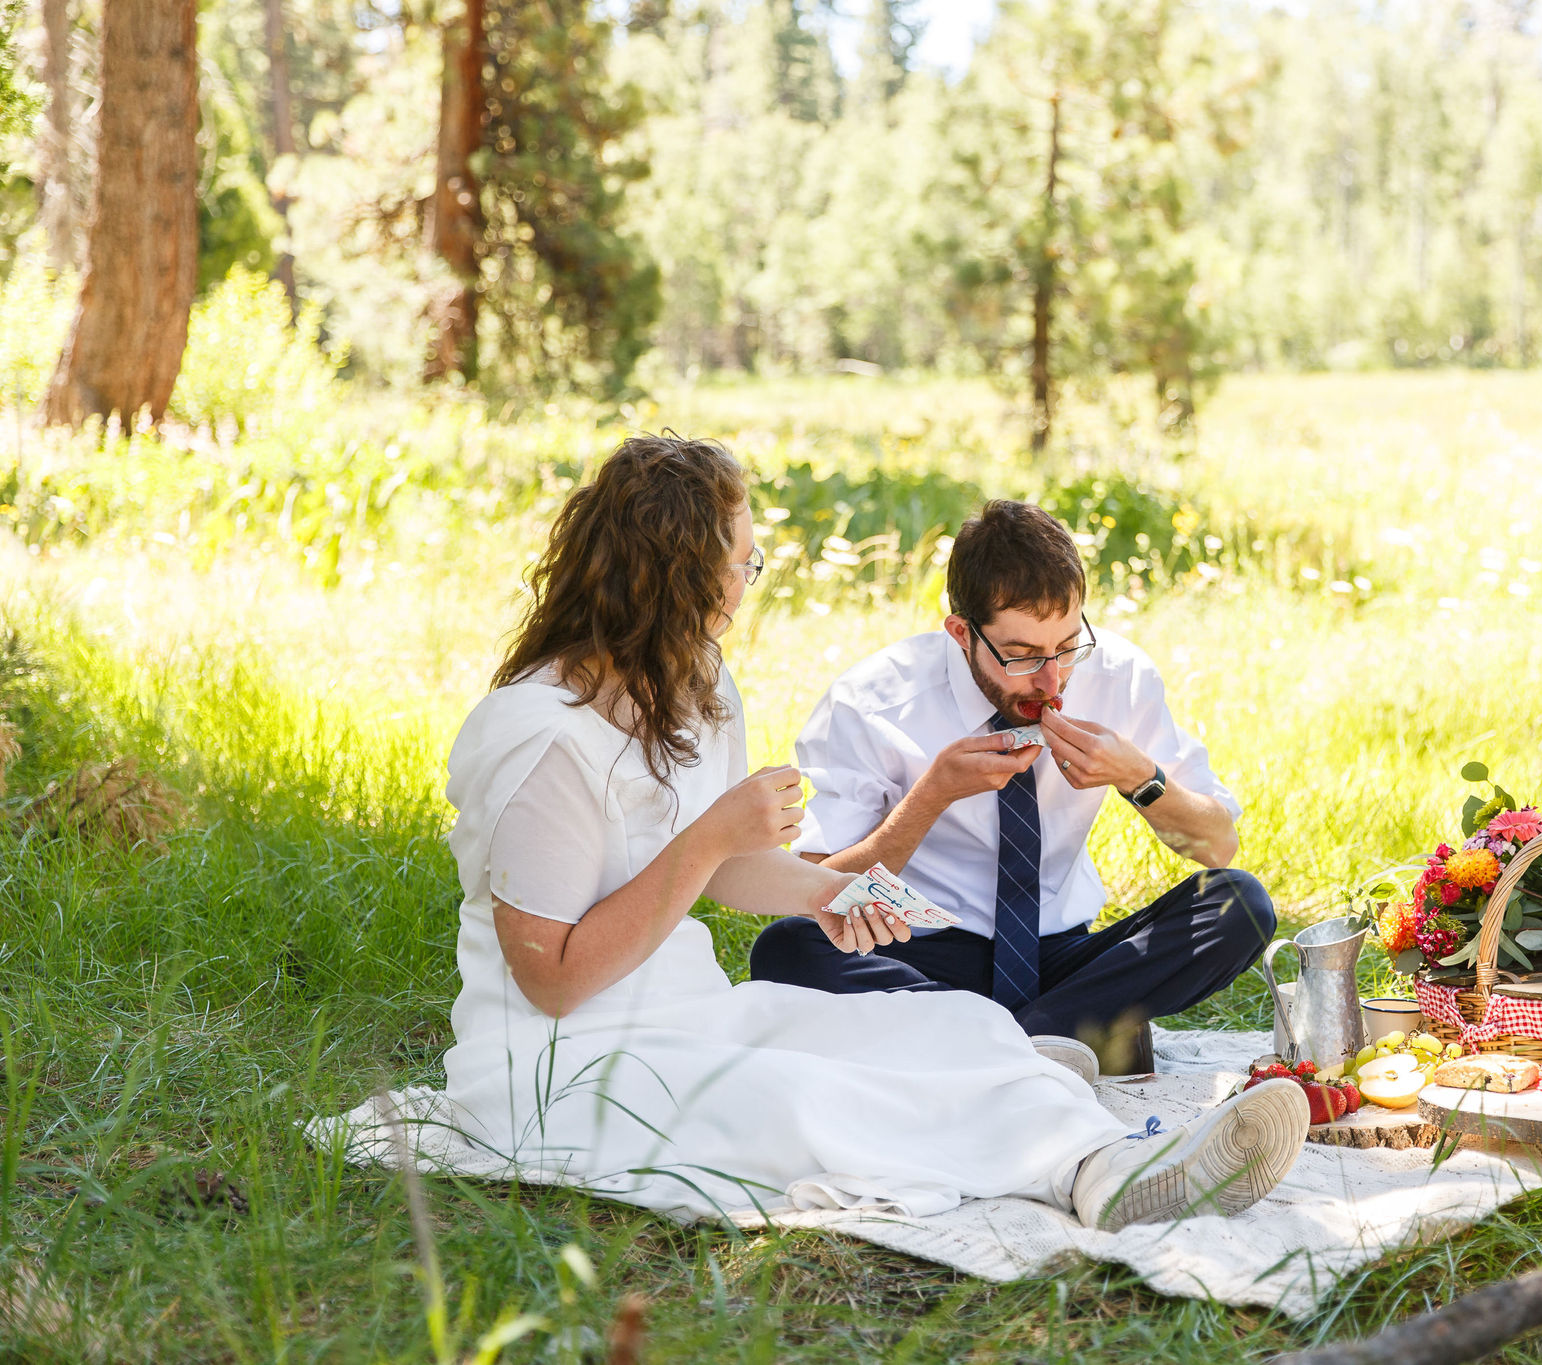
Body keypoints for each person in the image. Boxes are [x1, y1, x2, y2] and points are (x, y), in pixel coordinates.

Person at [435, 435, 1308, 1229]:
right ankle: (1089, 1168)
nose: (751, 580)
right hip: (556, 1063)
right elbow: (553, 982)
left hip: (689, 1009)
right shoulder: (546, 738)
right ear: (678, 579)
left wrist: (832, 892)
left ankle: (1113, 1161)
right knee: (815, 1087)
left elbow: (733, 871)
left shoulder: (693, 685)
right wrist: (722, 837)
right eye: (744, 562)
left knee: (947, 1034)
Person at [749, 499, 1274, 1074]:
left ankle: (981, 1052)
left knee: (1241, 906)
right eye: (1021, 656)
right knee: (788, 949)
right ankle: (1056, 1040)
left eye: (1067, 646)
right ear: (960, 632)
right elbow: (826, 889)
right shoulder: (872, 702)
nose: (1053, 679)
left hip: (1064, 953)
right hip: (921, 951)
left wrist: (1138, 778)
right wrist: (932, 796)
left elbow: (1216, 846)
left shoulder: (1121, 677)